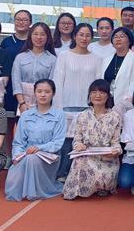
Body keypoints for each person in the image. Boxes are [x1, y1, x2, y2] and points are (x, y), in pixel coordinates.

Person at [51, 23, 104, 180]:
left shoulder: (97, 59)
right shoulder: (64, 56)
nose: (84, 38)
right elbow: (58, 82)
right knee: (66, 141)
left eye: (88, 35)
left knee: (85, 141)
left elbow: (98, 85)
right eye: (81, 34)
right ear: (75, 36)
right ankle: (62, 173)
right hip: (66, 106)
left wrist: (96, 107)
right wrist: (58, 107)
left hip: (87, 107)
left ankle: (80, 175)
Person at [5, 79, 66, 201]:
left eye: (47, 92)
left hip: (49, 157)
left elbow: (57, 143)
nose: (43, 95)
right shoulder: (26, 115)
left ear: (53, 94)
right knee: (12, 184)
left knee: (32, 159)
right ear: (35, 93)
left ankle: (35, 190)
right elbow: (18, 142)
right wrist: (17, 156)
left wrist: (39, 148)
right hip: (26, 154)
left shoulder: (59, 115)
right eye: (39, 91)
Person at [63, 79, 123, 199]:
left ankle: (103, 187)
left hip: (107, 159)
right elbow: (77, 139)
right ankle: (77, 190)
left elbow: (116, 143)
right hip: (87, 156)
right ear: (89, 95)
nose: (98, 95)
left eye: (102, 92)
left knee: (104, 171)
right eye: (94, 92)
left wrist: (116, 151)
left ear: (108, 95)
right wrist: (78, 145)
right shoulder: (82, 116)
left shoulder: (115, 117)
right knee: (80, 161)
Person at [12, 22, 57, 115]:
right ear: (30, 36)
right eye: (35, 34)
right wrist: (22, 103)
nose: (39, 37)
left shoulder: (53, 59)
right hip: (23, 104)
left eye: (42, 34)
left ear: (48, 37)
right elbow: (16, 82)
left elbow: (52, 84)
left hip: (44, 104)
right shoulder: (20, 57)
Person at [0, 9, 33, 129]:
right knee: (8, 123)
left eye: (25, 20)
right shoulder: (7, 42)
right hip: (9, 87)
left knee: (26, 123)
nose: (21, 22)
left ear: (30, 23)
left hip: (28, 89)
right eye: (18, 19)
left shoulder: (34, 41)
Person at [104, 27, 134, 111]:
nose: (118, 39)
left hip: (125, 104)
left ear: (129, 41)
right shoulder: (106, 59)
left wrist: (124, 104)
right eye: (115, 37)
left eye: (122, 36)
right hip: (106, 102)